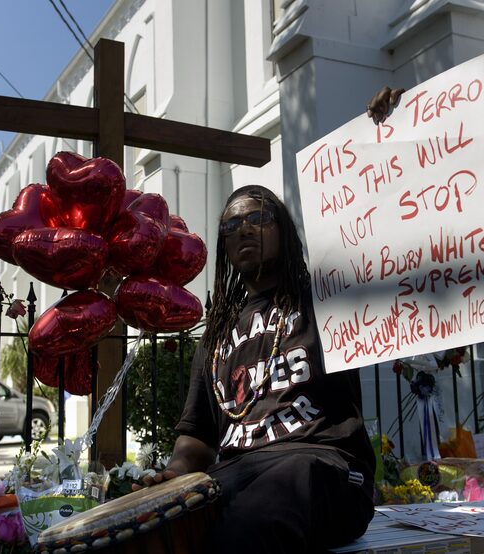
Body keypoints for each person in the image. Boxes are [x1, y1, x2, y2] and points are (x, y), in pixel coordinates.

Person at [137, 88, 404, 553]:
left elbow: (385, 234)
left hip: (324, 465)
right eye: (231, 225)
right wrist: (172, 478)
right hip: (234, 474)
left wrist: (393, 131)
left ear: (283, 226)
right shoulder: (217, 334)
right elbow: (196, 438)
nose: (244, 229)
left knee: (255, 517)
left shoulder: (327, 296)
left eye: (258, 217)